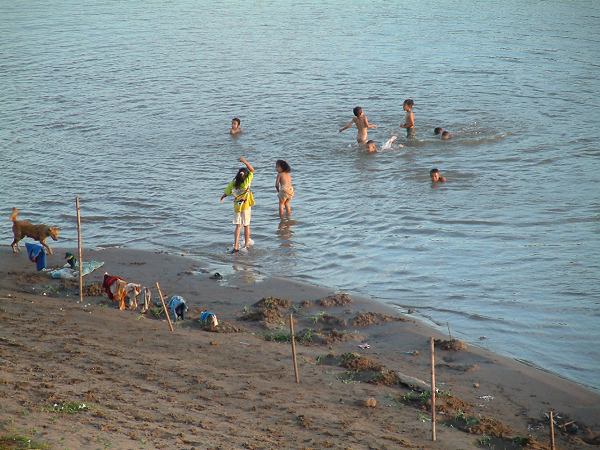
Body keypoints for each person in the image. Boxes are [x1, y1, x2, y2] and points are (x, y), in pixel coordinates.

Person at [220, 157, 255, 253]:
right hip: (246, 207)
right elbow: (252, 170)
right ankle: (246, 245)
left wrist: (223, 196)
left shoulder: (233, 183)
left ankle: (235, 246)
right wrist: (245, 161)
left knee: (238, 226)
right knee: (246, 225)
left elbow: (227, 192)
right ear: (246, 176)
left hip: (237, 208)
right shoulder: (246, 182)